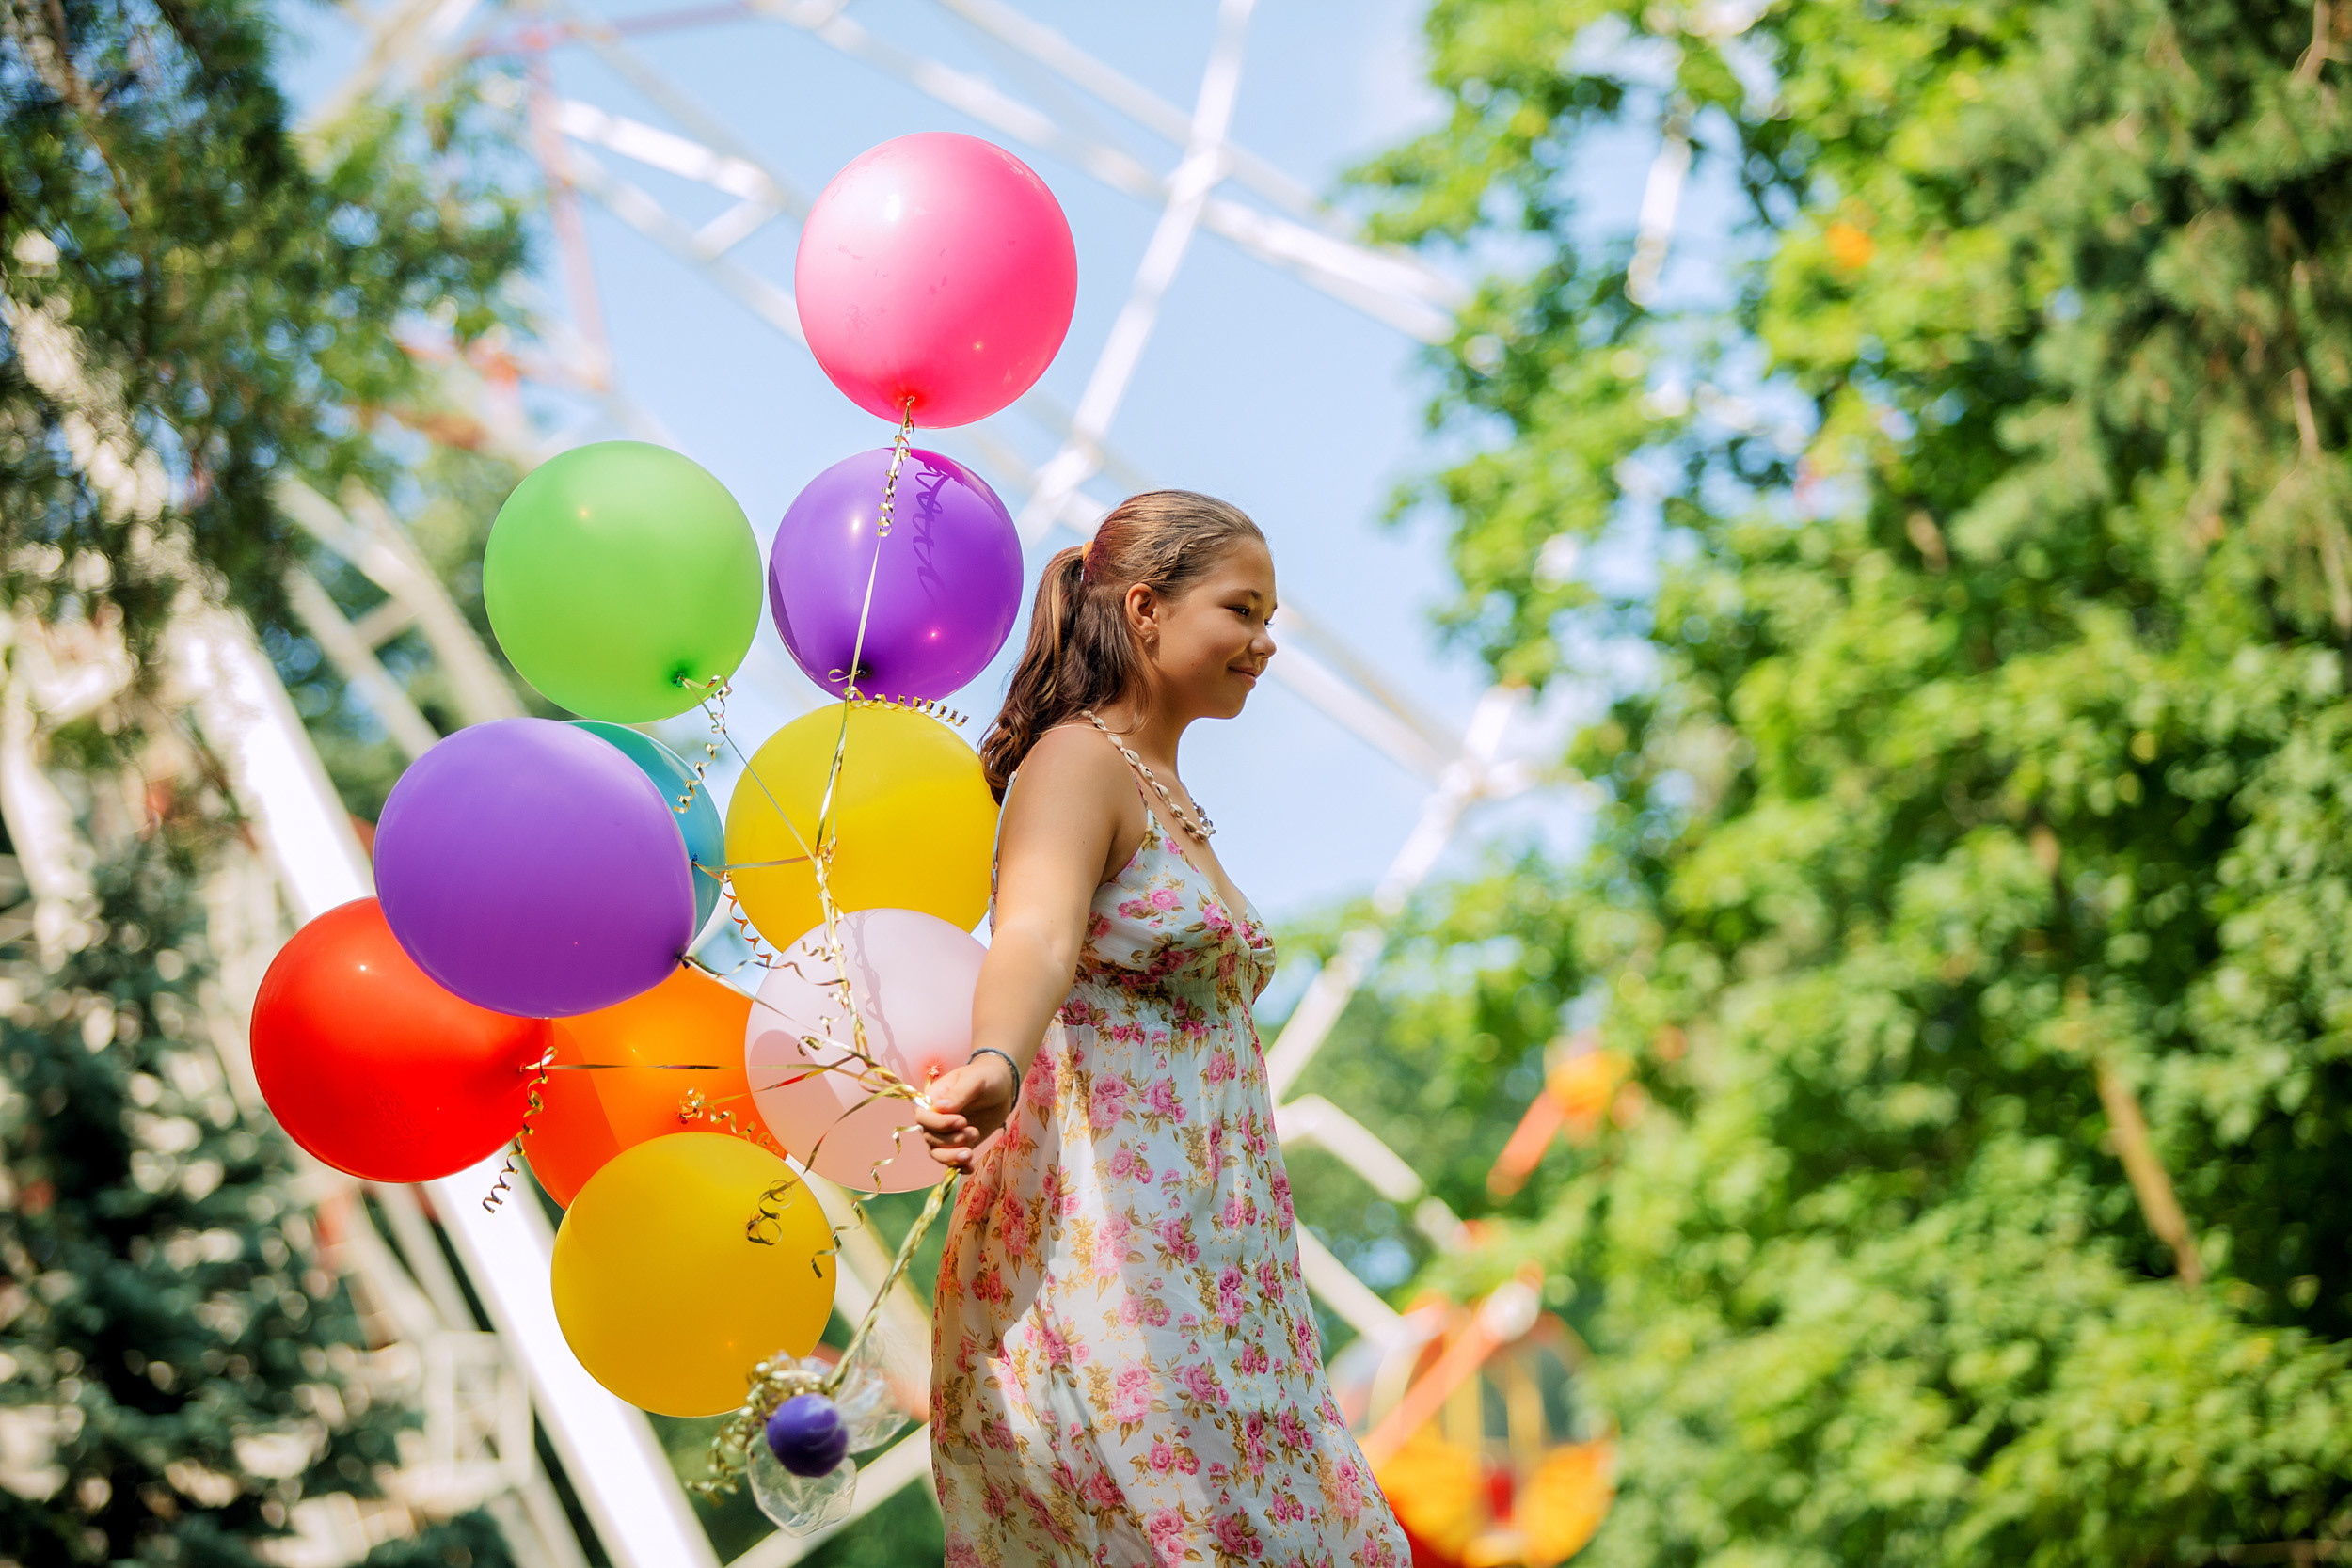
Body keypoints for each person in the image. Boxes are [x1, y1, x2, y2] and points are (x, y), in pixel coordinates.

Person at [915, 492, 1408, 1567]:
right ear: (1145, 607)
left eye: (1267, 617)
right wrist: (996, 1057)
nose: (1264, 642)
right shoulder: (1075, 760)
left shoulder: (1164, 786)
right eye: (1242, 609)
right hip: (1114, 1235)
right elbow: (1035, 935)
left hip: (1224, 1244)